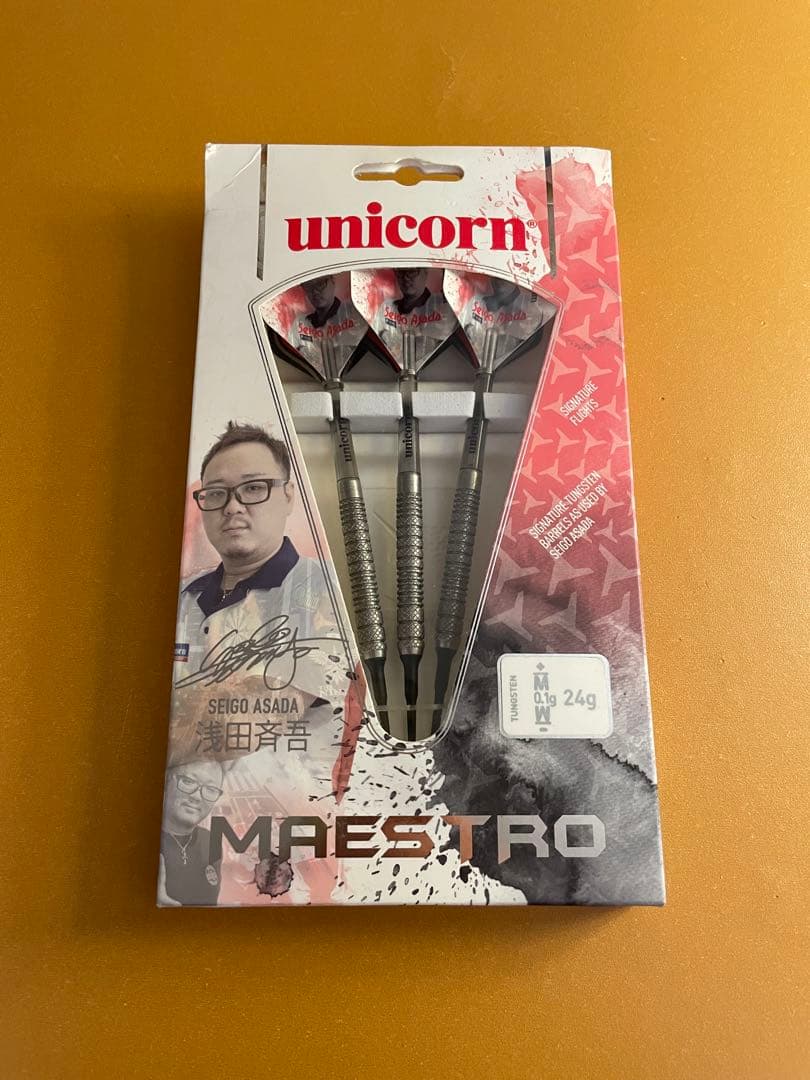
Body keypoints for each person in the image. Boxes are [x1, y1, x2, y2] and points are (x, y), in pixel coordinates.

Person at [169, 422, 347, 767]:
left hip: (287, 800)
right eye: (216, 493)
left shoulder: (325, 589)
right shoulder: (180, 596)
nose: (232, 507)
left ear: (288, 495)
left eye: (253, 488)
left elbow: (245, 722)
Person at [159, 760, 224, 906]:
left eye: (211, 789)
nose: (197, 796)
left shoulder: (211, 841)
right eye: (188, 781)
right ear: (167, 781)